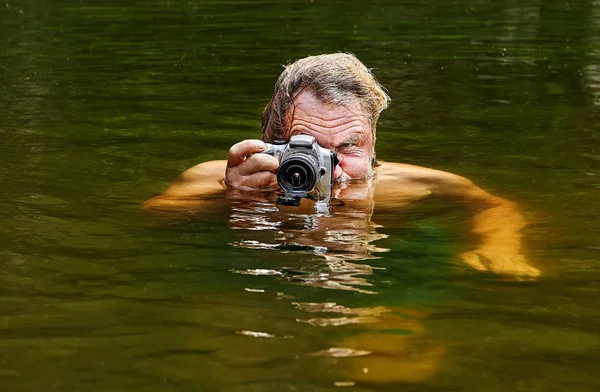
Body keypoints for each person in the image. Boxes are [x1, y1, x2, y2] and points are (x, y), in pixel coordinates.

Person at [145, 52, 540, 278]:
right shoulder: (221, 178)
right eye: (310, 146)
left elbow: (494, 206)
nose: (332, 166)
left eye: (349, 146)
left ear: (373, 142)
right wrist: (230, 197)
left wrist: (499, 242)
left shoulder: (407, 183)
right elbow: (155, 219)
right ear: (272, 138)